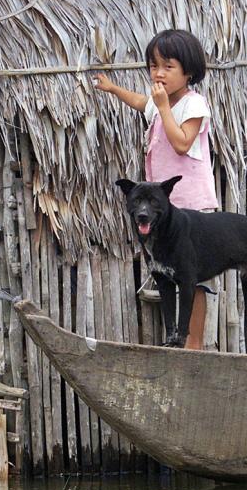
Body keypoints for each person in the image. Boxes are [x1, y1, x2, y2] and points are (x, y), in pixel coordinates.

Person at [93, 29, 217, 350]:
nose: (158, 73)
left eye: (167, 66)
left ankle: (195, 343)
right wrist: (112, 88)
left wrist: (162, 107)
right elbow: (139, 101)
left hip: (191, 207)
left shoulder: (193, 104)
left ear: (188, 71)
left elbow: (181, 143)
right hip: (166, 212)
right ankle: (176, 338)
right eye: (153, 66)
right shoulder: (157, 103)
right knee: (169, 273)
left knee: (194, 278)